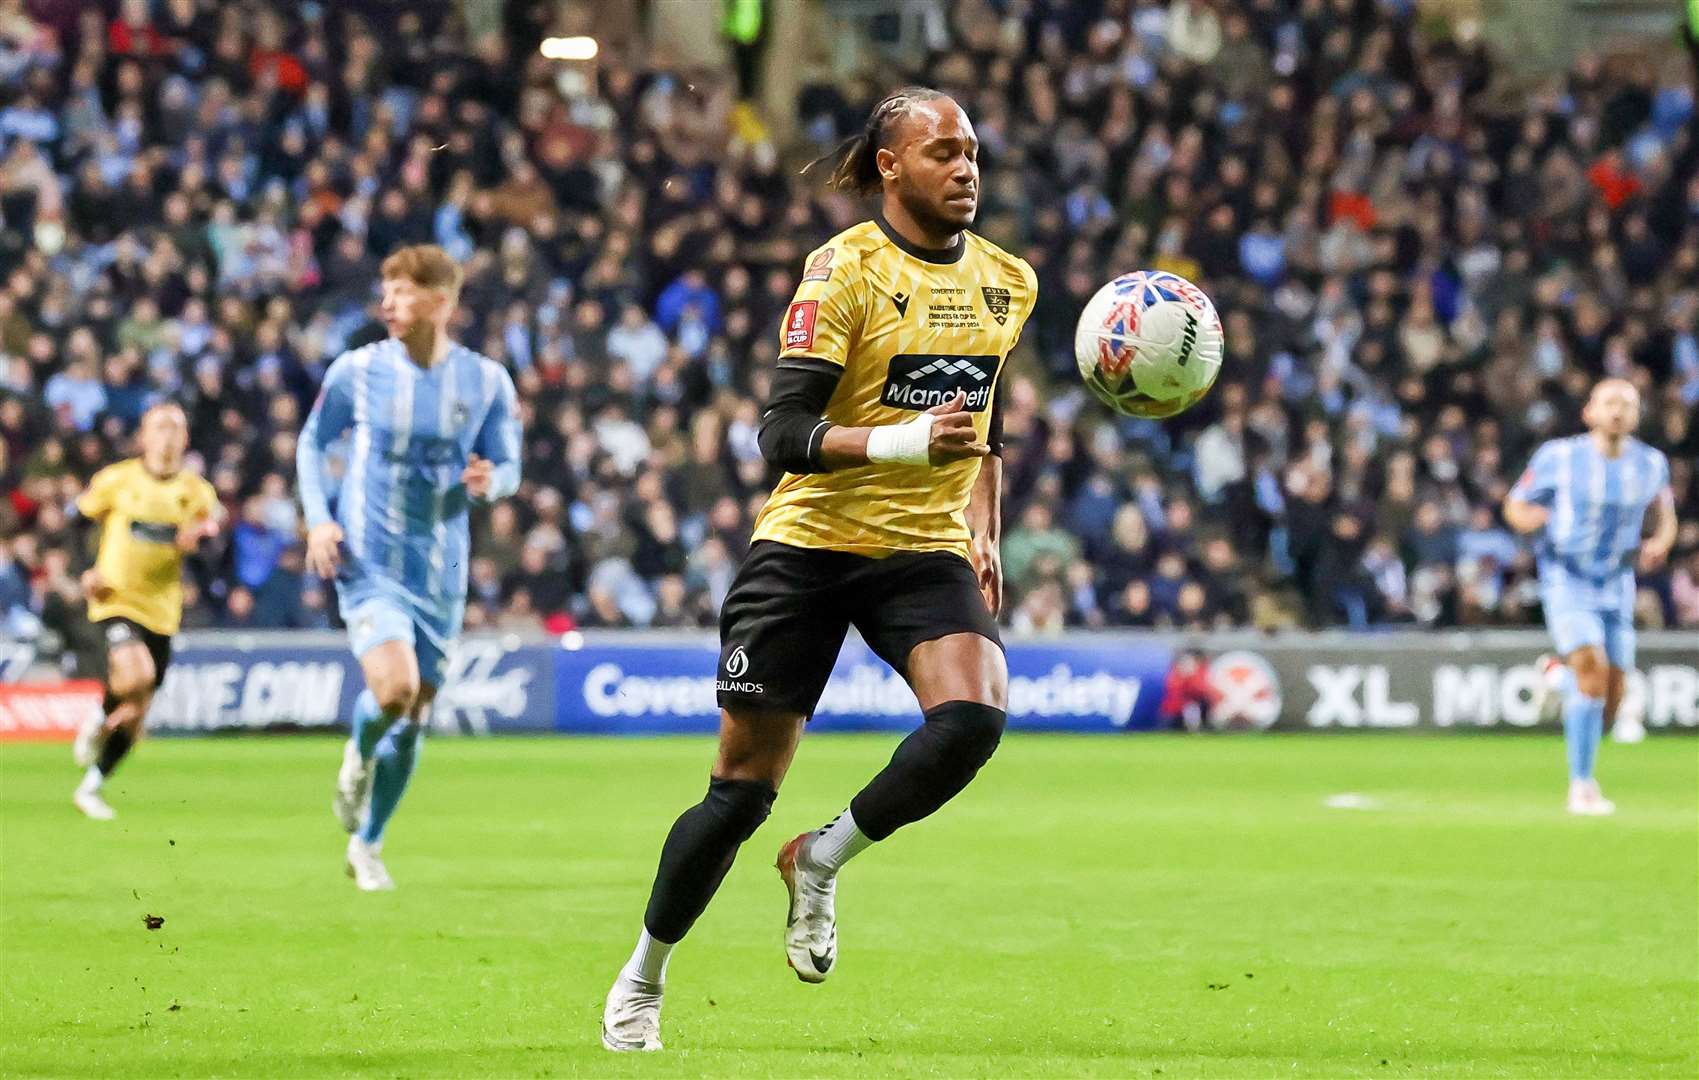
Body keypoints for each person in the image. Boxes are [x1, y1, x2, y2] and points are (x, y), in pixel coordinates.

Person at [601, 86, 1037, 1052]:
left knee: (973, 718)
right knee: (740, 792)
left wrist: (984, 522)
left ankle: (823, 858)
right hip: (806, 547)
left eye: (973, 152)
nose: (966, 169)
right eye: (943, 153)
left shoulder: (1010, 280)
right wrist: (902, 444)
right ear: (890, 166)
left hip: (918, 549)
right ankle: (644, 976)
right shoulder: (841, 270)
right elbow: (780, 433)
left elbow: (981, 418)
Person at [298, 244, 522, 890]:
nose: (388, 303)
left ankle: (368, 843)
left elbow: (509, 465)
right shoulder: (358, 370)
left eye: (402, 292)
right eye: (386, 290)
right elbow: (313, 442)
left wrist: (492, 480)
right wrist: (319, 517)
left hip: (440, 569)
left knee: (416, 710)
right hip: (368, 558)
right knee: (394, 691)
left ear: (441, 302)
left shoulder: (484, 380)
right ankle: (358, 754)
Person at [1504, 379, 1676, 815]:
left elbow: (1665, 516)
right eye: (1610, 403)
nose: (1618, 411)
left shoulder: (1651, 464)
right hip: (1567, 578)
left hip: (1617, 583)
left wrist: (1660, 542)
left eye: (1628, 404)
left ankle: (1554, 677)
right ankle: (1582, 785)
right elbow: (1516, 503)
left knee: (1610, 697)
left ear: (1637, 415)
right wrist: (1528, 519)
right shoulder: (1558, 457)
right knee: (1593, 673)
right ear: (1589, 412)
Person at [70, 401, 220, 820]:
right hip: (115, 598)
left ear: (185, 439)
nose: (168, 435)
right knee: (138, 676)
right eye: (160, 427)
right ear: (144, 436)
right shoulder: (117, 480)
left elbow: (212, 552)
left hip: (163, 610)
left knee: (136, 712)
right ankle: (99, 722)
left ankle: (92, 782)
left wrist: (200, 545)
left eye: (176, 427)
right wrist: (85, 571)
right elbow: (76, 524)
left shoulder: (196, 492)